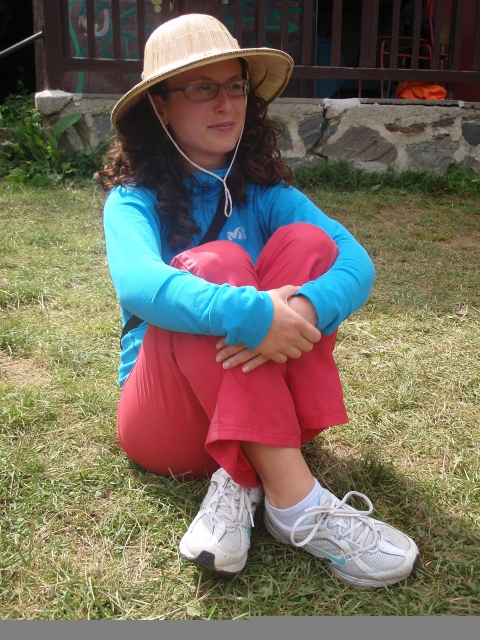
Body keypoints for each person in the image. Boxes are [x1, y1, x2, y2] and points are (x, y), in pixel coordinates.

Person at [96, 13, 420, 588]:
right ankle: (294, 500)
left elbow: (355, 263)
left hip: (272, 410)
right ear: (160, 107)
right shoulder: (132, 200)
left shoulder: (267, 192)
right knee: (214, 263)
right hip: (168, 427)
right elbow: (139, 284)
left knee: (309, 243)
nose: (226, 103)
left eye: (236, 86)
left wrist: (301, 311)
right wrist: (253, 313)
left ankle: (241, 477)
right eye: (202, 88)